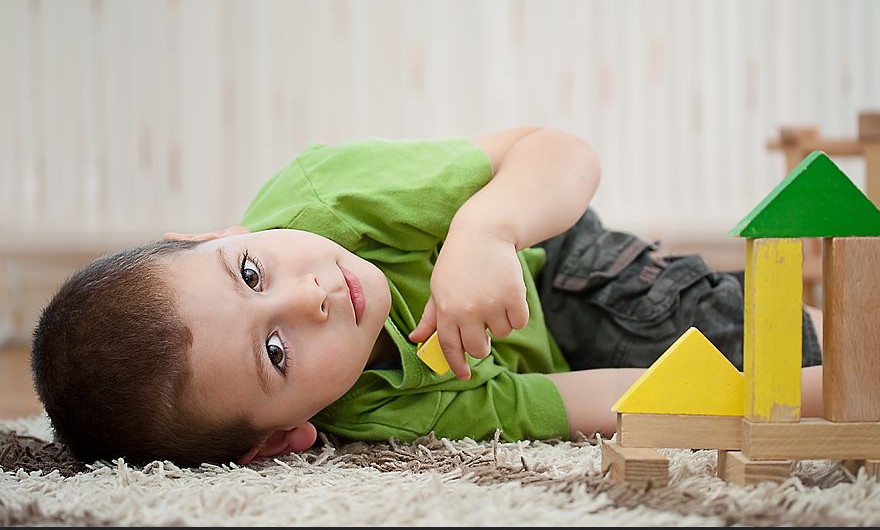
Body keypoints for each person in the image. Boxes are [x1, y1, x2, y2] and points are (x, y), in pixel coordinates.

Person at [30, 127, 824, 467]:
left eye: (248, 272)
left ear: (206, 233)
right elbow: (578, 402)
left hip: (561, 264)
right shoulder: (381, 408)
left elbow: (557, 150)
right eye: (274, 352)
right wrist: (777, 400)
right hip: (563, 353)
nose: (309, 297)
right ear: (282, 437)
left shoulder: (327, 197)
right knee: (746, 393)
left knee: (772, 336)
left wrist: (485, 229)